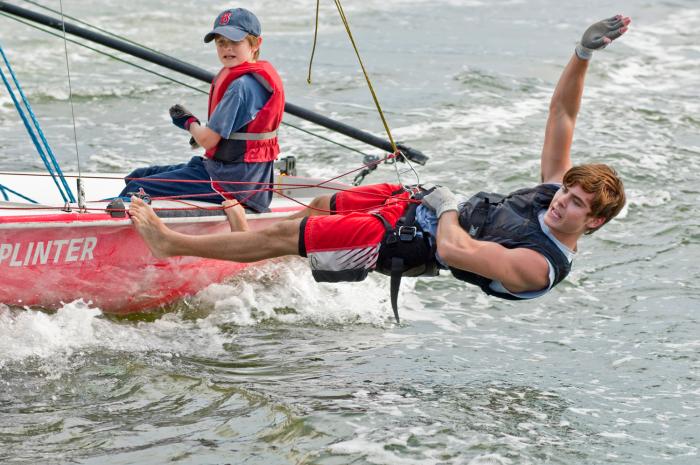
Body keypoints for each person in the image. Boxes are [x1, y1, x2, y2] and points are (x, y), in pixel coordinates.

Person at [129, 15, 630, 320]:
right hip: (416, 207)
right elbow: (562, 114)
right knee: (322, 202)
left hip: (402, 241)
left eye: (576, 204)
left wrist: (446, 203)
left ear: (595, 222)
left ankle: (174, 244)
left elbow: (457, 248)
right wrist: (582, 53)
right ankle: (254, 248)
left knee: (292, 237)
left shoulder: (537, 267)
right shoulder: (553, 194)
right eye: (567, 191)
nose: (562, 200)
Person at [119, 7, 285, 212]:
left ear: (255, 43)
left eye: (235, 42)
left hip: (233, 184)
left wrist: (188, 122)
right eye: (221, 42)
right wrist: (199, 132)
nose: (227, 49)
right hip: (242, 177)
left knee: (137, 187)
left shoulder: (241, 86)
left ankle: (108, 229)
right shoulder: (248, 79)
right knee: (137, 176)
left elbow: (207, 140)